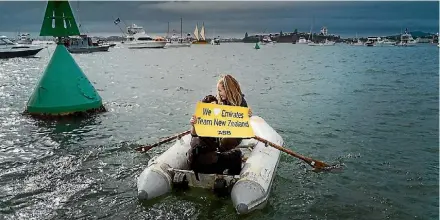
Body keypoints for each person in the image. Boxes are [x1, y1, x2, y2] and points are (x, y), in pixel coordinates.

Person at [187, 95, 243, 177]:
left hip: (203, 159)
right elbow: (194, 133)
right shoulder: (199, 121)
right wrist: (193, 125)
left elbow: (233, 123)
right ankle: (232, 177)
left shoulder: (217, 121)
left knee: (225, 148)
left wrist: (245, 116)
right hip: (206, 164)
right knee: (237, 154)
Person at [216, 74, 252, 151]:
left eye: (220, 91)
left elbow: (243, 122)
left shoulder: (240, 102)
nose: (219, 93)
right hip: (221, 131)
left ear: (227, 90)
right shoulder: (220, 102)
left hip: (235, 134)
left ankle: (219, 155)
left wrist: (247, 115)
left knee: (226, 140)